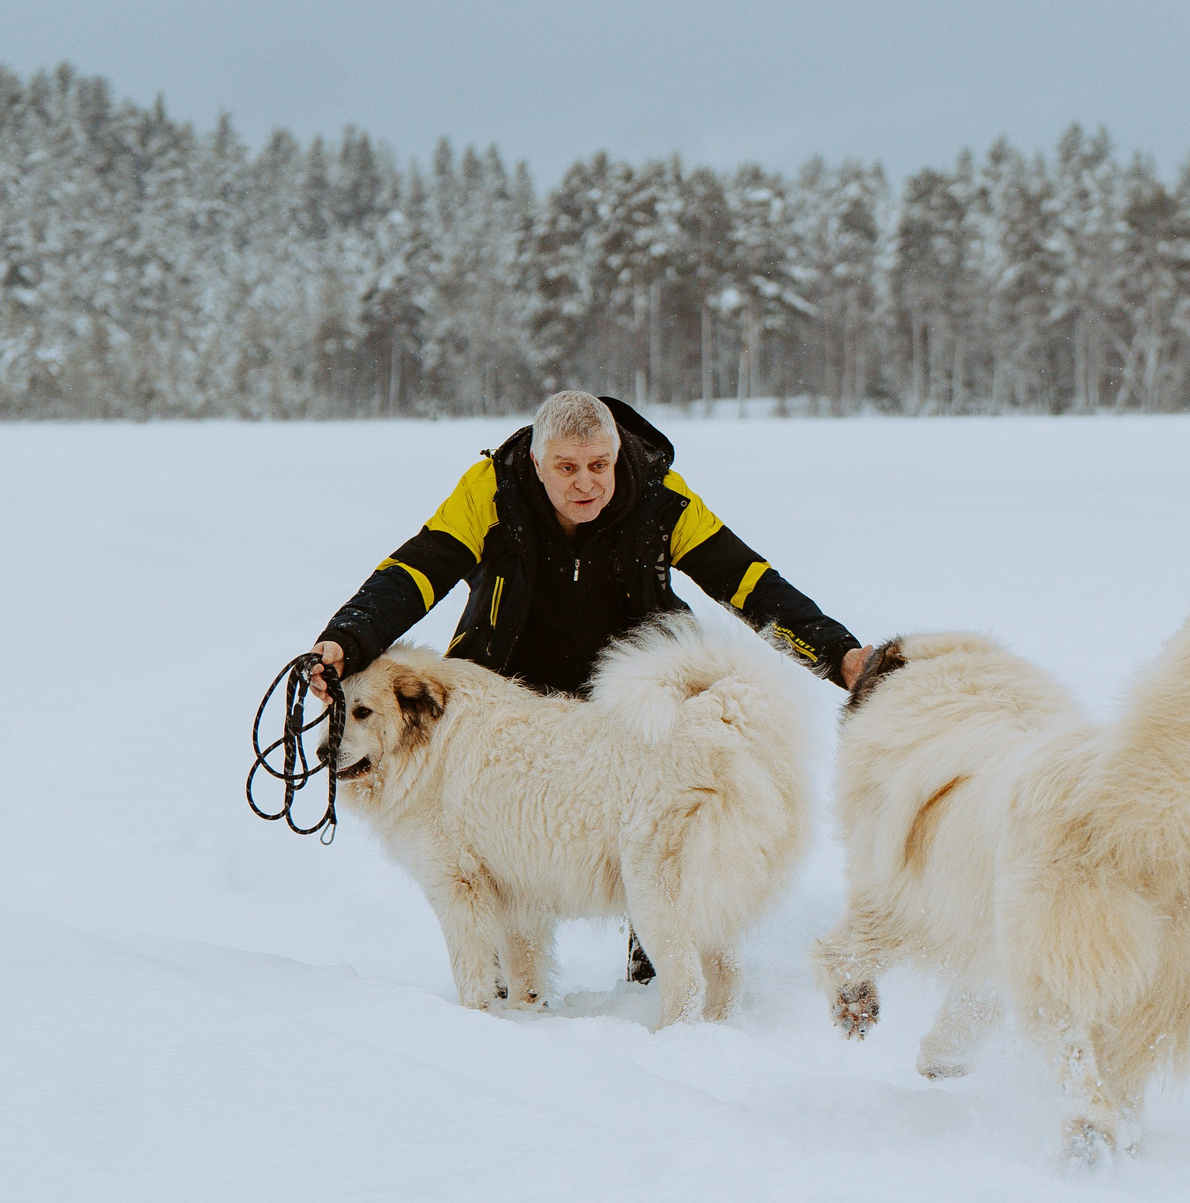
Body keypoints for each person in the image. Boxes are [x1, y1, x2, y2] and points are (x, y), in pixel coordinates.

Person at [304, 390, 868, 981]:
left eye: (600, 465)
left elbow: (748, 581)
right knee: (504, 844)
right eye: (567, 468)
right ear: (536, 463)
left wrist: (839, 655)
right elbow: (415, 572)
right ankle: (506, 986)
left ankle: (655, 966)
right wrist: (348, 640)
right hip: (512, 691)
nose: (587, 484)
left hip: (629, 691)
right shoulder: (489, 490)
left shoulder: (661, 496)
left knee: (653, 840)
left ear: (618, 454)